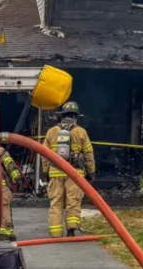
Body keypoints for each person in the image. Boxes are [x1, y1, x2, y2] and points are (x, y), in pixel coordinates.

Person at [42, 101, 96, 237]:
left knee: (56, 203)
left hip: (55, 173)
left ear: (62, 115)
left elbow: (44, 155)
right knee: (73, 201)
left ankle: (55, 233)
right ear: (76, 117)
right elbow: (89, 154)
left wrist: (46, 172)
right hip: (75, 174)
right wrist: (91, 172)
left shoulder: (51, 132)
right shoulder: (81, 132)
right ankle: (71, 229)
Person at [0, 146, 21, 241]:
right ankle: (5, 233)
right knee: (4, 207)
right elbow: (10, 165)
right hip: (0, 186)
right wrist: (17, 178)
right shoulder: (1, 152)